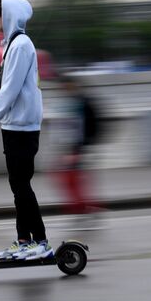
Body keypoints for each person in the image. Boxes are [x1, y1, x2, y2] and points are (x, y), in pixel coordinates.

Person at [0, 0, 52, 260]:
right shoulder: (10, 47)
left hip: (23, 128)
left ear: (8, 16)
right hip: (13, 126)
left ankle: (40, 242)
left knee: (21, 185)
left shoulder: (21, 46)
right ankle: (23, 241)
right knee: (18, 186)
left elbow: (10, 91)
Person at [50, 75, 103, 224]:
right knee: (72, 179)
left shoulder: (82, 103)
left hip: (78, 148)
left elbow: (89, 126)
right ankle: (83, 208)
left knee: (72, 179)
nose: (63, 89)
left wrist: (85, 147)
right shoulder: (72, 102)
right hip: (72, 147)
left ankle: (83, 209)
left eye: (66, 86)